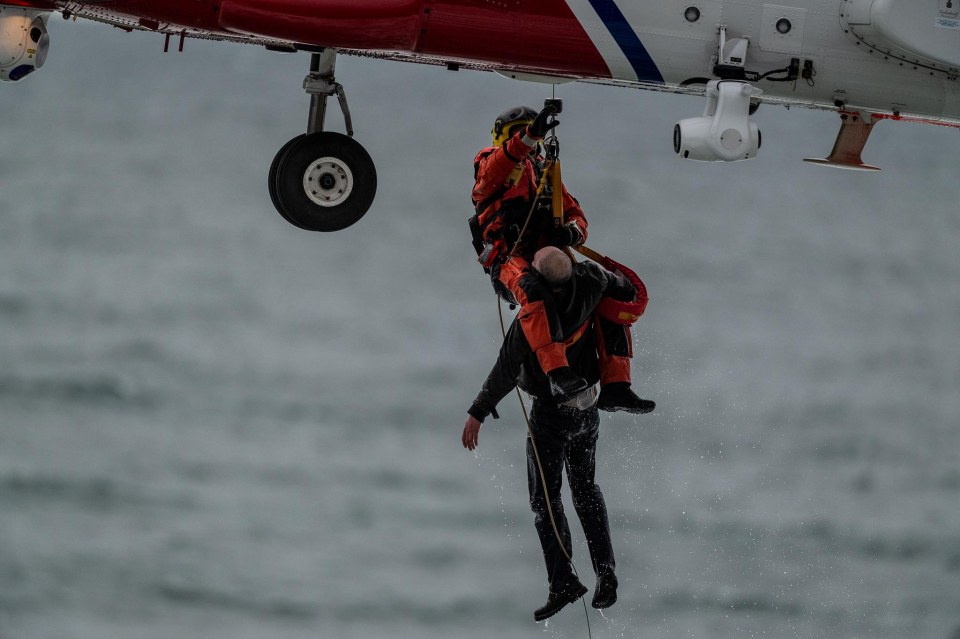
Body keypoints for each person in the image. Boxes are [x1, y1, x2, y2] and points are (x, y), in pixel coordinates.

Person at [461, 247, 655, 621]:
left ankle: (563, 581)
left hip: (550, 416)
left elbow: (505, 369)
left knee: (546, 503)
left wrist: (477, 412)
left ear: (536, 281)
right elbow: (625, 288)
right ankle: (606, 573)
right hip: (588, 410)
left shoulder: (533, 320)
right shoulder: (593, 289)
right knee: (586, 491)